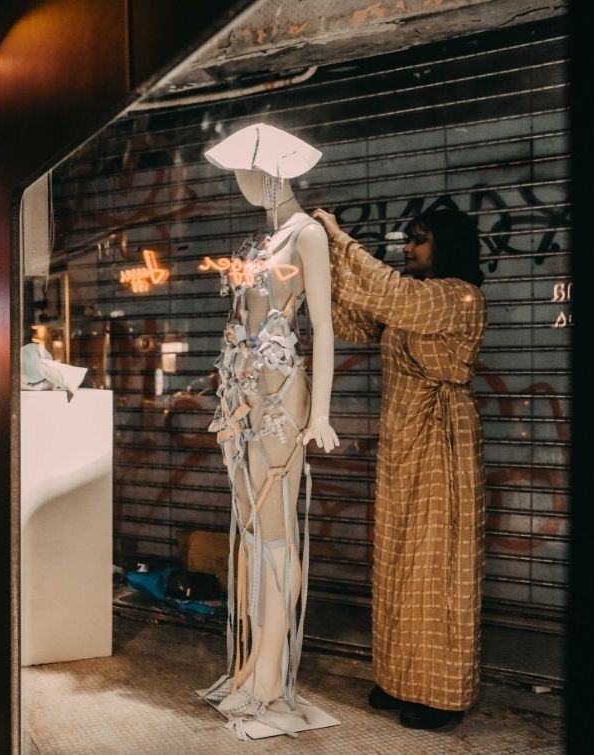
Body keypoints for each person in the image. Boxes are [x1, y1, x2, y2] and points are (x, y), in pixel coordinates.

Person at [312, 205, 486, 730]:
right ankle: (399, 679)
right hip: (403, 440)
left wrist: (340, 240)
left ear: (446, 245)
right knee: (397, 563)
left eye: (419, 240)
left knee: (436, 566)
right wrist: (323, 265)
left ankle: (443, 694)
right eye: (407, 239)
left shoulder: (458, 298)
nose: (407, 248)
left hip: (442, 441)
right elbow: (354, 317)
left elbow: (391, 294)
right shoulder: (414, 299)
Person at [200, 123, 339, 735]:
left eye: (247, 173)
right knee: (254, 532)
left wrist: (322, 414)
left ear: (274, 172)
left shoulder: (307, 234)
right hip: (240, 398)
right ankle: (256, 661)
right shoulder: (262, 241)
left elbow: (325, 329)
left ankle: (271, 679)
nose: (241, 183)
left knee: (276, 531)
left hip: (281, 399)